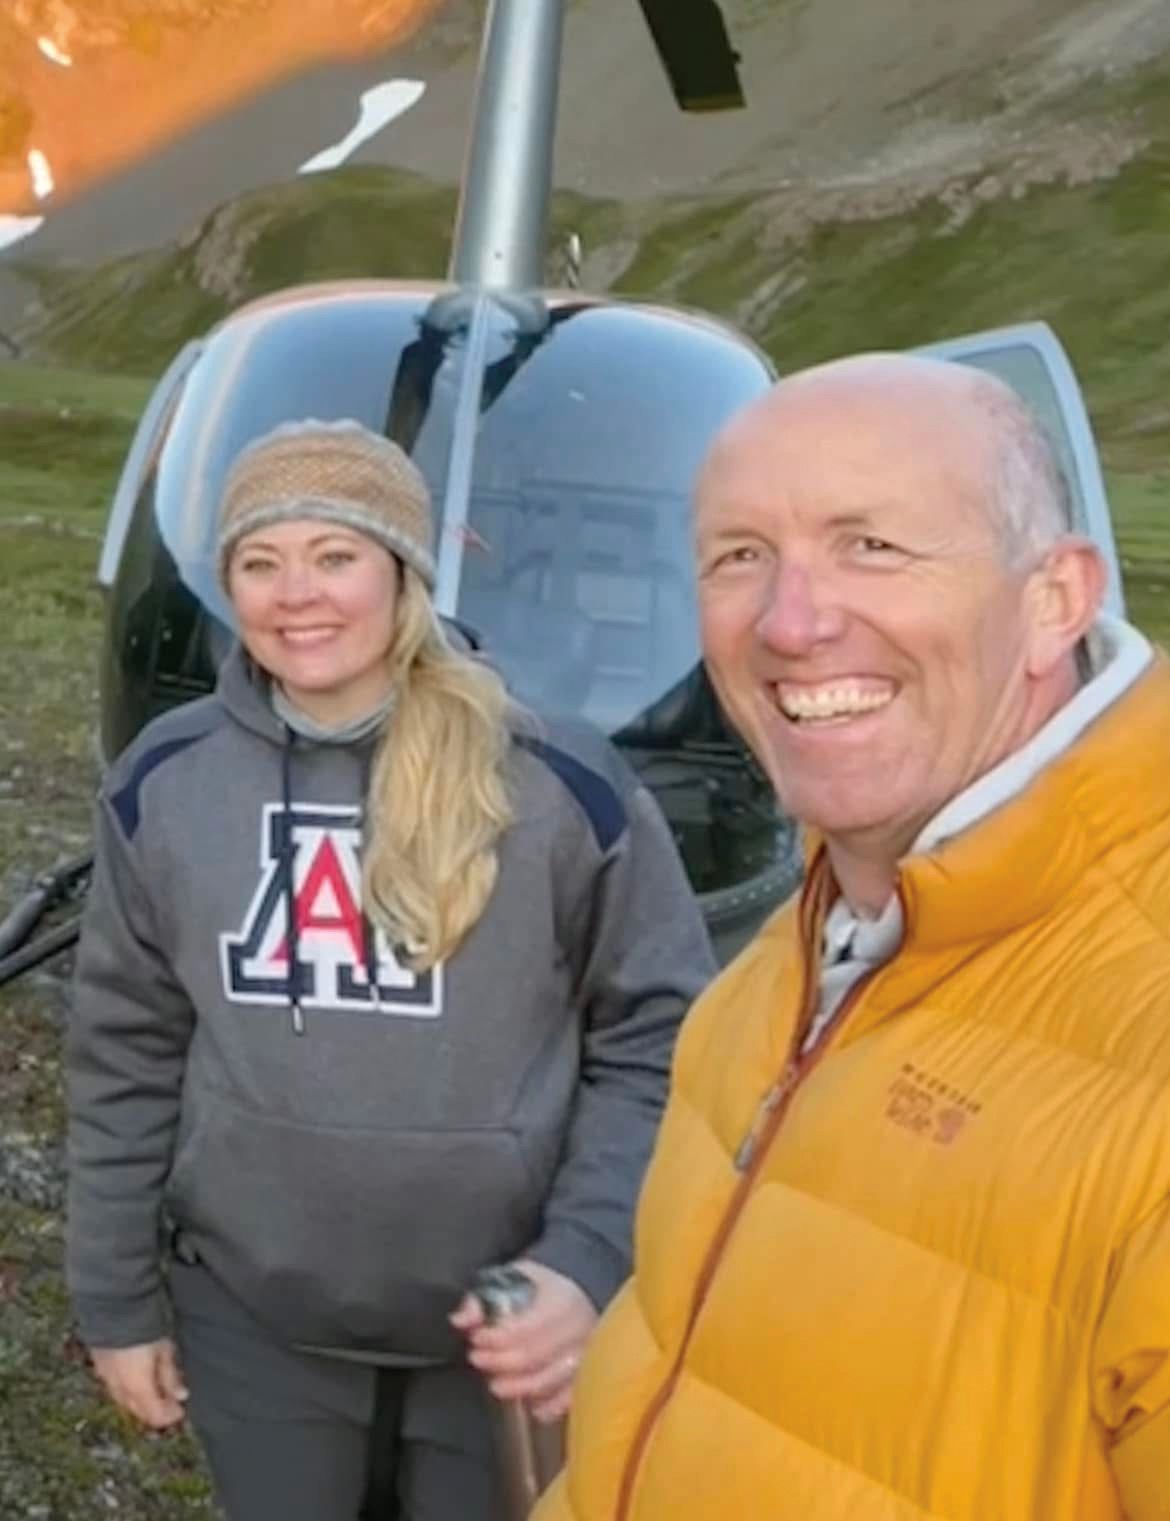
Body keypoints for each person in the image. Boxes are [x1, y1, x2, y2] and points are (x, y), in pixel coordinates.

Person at [534, 353, 1170, 1521]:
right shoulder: (796, 956)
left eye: (872, 544)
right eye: (740, 558)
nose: (791, 621)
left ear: (1056, 599)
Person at [65, 418, 716, 1521]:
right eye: (260, 563)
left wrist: (590, 1257)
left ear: (403, 570)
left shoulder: (559, 784)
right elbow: (124, 1048)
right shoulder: (166, 785)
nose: (296, 595)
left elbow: (662, 1038)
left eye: (335, 555)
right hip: (257, 1320)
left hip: (503, 1323)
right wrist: (117, 1301)